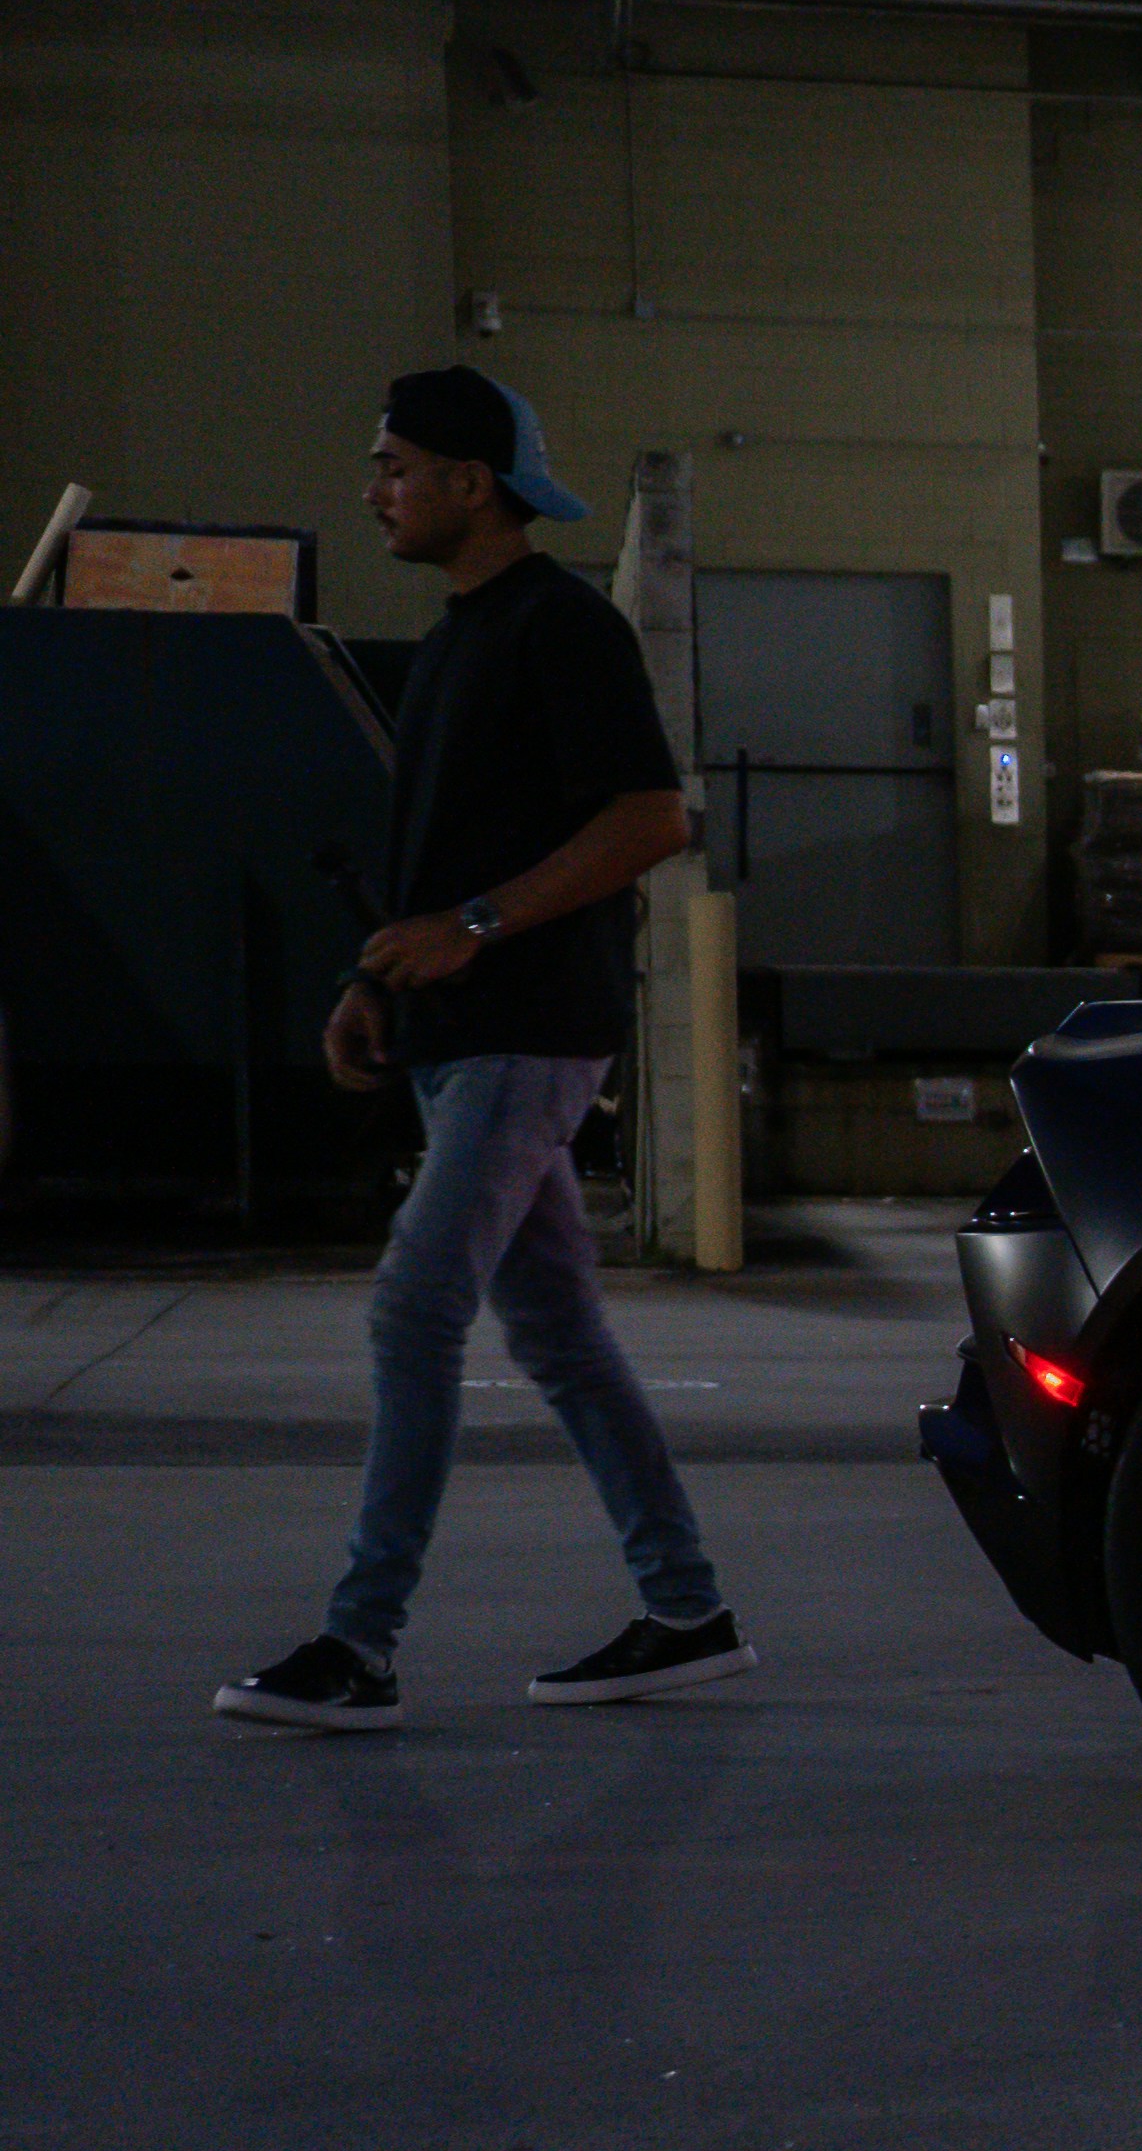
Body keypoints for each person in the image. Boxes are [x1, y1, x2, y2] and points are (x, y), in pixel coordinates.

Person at [212, 370, 756, 1731]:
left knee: (414, 1306)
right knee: (561, 1336)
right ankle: (686, 1608)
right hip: (463, 1034)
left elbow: (652, 818)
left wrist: (472, 926)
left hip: (527, 1032)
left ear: (474, 482)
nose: (373, 490)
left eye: (396, 466)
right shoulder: (462, 638)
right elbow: (445, 852)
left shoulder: (560, 628)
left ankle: (361, 1643)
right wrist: (376, 977)